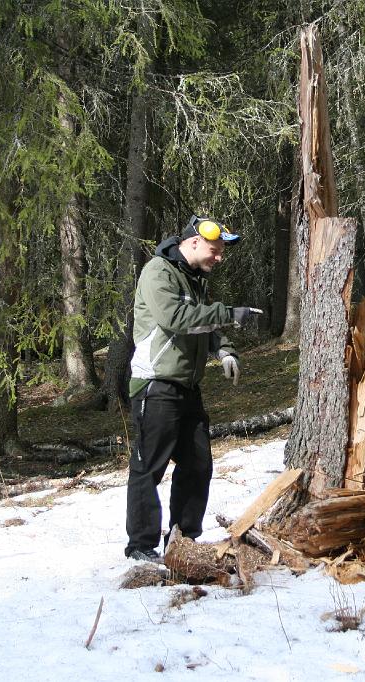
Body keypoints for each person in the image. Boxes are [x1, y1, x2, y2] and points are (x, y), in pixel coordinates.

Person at [125, 214, 261, 562]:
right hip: (156, 386)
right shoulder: (158, 271)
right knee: (149, 467)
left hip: (187, 387)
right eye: (215, 251)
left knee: (198, 465)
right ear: (194, 242)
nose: (219, 258)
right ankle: (140, 547)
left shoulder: (194, 279)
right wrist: (229, 313)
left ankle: (182, 541)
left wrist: (224, 348)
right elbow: (175, 319)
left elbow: (202, 324)